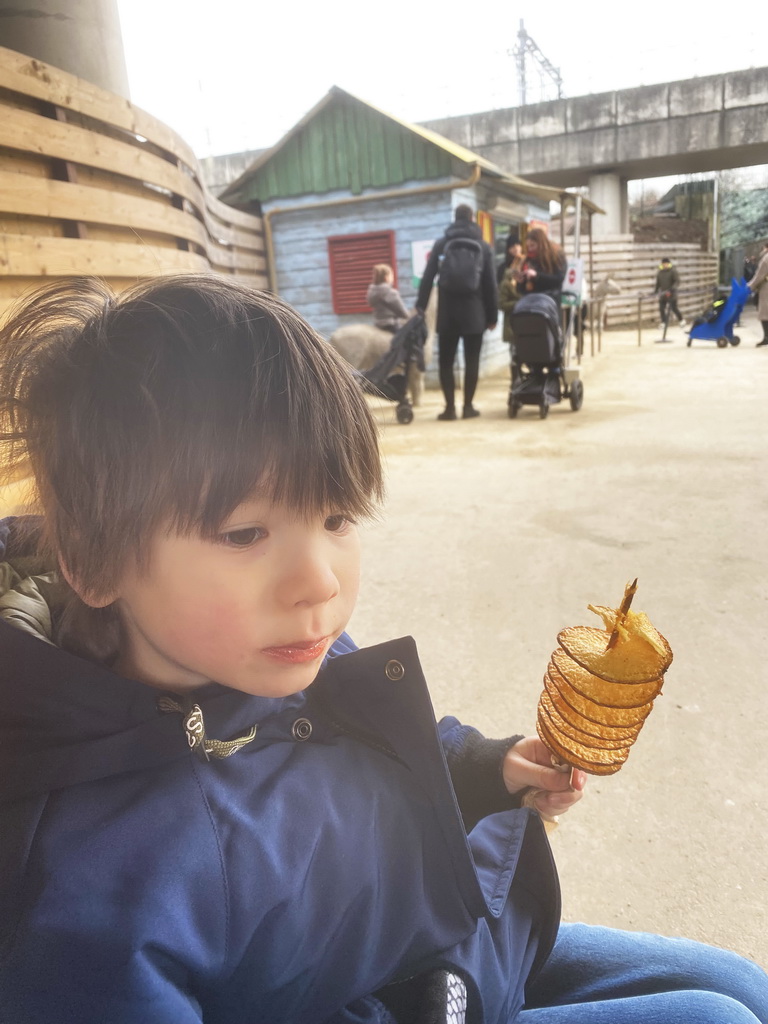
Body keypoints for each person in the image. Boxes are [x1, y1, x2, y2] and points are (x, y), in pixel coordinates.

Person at [1, 275, 768, 1024]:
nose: (318, 581)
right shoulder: (84, 892)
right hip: (400, 996)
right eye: (244, 533)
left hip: (452, 942)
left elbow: (373, 752)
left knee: (741, 982)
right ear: (97, 561)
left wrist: (483, 772)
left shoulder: (271, 654)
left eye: (335, 517)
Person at [416, 205, 498, 420]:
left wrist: (420, 307)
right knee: (472, 361)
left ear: (456, 218)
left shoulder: (442, 244)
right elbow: (491, 284)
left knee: (446, 362)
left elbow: (427, 279)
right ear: (472, 219)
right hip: (475, 313)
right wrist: (492, 316)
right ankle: (468, 407)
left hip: (448, 315)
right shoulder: (483, 246)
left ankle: (450, 408)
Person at [513, 227, 567, 307]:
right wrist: (520, 282)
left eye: (533, 245)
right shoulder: (528, 259)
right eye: (528, 246)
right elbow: (521, 290)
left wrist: (537, 275)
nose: (530, 249)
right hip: (531, 305)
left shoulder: (556, 256)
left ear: (541, 244)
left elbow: (558, 279)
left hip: (549, 304)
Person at [366, 263, 409, 333]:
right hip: (391, 325)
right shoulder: (390, 293)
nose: (393, 277)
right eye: (391, 275)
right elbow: (402, 312)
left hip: (377, 324)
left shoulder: (371, 292)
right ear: (386, 278)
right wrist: (410, 318)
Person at [654, 256, 688, 329]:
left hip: (671, 293)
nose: (665, 265)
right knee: (661, 308)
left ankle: (681, 320)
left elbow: (677, 281)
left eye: (666, 263)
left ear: (669, 264)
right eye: (663, 264)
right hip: (663, 294)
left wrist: (673, 288)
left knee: (674, 308)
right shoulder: (660, 272)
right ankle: (663, 322)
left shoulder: (673, 271)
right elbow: (658, 283)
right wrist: (655, 291)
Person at [747, 241, 768, 346]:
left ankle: (766, 337)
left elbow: (759, 276)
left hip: (766, 289)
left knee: (764, 313)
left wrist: (750, 286)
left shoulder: (766, 259)